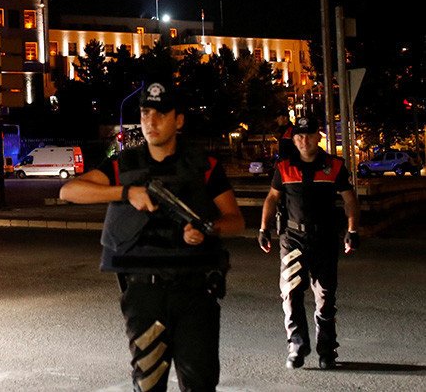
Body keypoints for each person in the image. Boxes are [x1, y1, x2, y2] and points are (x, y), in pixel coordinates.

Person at [60, 79, 245, 391]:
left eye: (161, 113)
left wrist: (209, 229)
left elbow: (236, 220)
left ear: (179, 120)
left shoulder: (204, 166)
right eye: (145, 113)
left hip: (195, 293)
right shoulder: (123, 164)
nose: (151, 121)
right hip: (144, 294)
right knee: (148, 385)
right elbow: (69, 190)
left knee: (200, 384)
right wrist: (126, 192)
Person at [257, 116, 360, 370]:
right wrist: (263, 229)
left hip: (324, 238)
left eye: (309, 135)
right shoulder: (284, 167)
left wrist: (352, 230)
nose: (304, 141)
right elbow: (272, 198)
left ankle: (327, 350)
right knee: (291, 292)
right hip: (292, 239)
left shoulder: (334, 166)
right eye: (299, 136)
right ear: (294, 140)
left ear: (318, 137)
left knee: (325, 296)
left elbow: (349, 199)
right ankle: (297, 345)